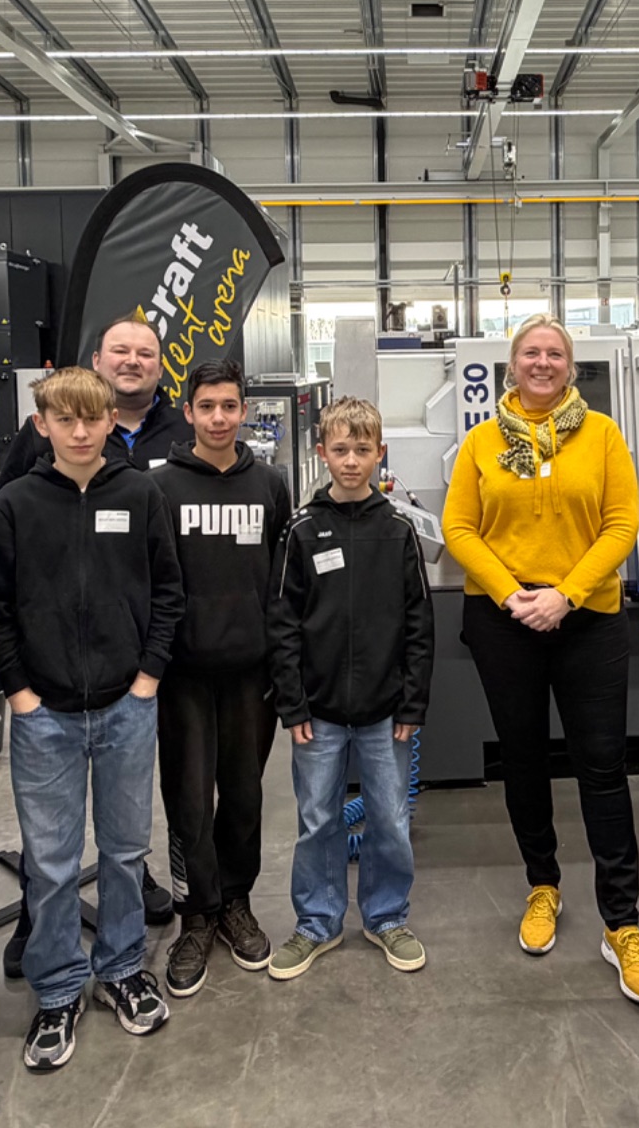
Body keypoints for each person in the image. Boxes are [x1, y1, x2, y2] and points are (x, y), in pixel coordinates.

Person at [442, 314, 639, 1006]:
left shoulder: (603, 435)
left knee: (603, 767)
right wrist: (512, 595)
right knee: (523, 759)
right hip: (504, 620)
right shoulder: (481, 441)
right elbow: (458, 528)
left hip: (587, 618)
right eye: (530, 352)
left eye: (554, 353)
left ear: (571, 367)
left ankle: (622, 922)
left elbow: (622, 524)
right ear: (512, 365)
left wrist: (566, 594)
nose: (541, 362)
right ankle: (543, 886)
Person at [0, 366, 185, 1073]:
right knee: (51, 862)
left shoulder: (140, 494)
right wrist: (19, 692)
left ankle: (123, 969)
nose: (78, 432)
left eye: (91, 419)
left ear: (109, 422)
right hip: (44, 715)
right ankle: (58, 988)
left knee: (126, 851)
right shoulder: (13, 505)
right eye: (63, 419)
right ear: (41, 424)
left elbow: (168, 591)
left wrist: (146, 678)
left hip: (127, 706)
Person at [265, 397, 434, 981]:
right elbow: (282, 624)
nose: (352, 460)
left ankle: (386, 916)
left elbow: (419, 623)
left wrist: (413, 701)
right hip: (318, 712)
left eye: (363, 449)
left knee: (389, 818)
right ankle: (317, 922)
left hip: (388, 712)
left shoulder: (398, 531)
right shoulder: (301, 531)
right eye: (341, 449)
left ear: (379, 453)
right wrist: (292, 704)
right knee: (318, 820)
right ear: (322, 453)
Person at [150, 359, 292, 996]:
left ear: (244, 411)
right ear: (188, 412)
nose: (218, 418)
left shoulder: (270, 484)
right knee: (187, 800)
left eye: (229, 406)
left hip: (250, 675)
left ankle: (236, 902)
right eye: (206, 406)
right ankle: (196, 914)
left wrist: (281, 662)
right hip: (182, 676)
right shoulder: (158, 487)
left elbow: (282, 579)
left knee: (243, 796)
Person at [0, 313, 191, 481]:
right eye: (120, 351)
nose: (132, 361)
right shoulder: (45, 431)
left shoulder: (191, 430)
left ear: (160, 369)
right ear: (96, 361)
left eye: (145, 354)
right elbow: (10, 503)